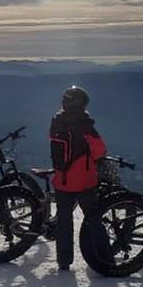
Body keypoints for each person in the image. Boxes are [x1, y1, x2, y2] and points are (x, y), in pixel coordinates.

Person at [49, 86, 107, 272]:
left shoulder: (56, 122)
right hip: (84, 181)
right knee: (94, 219)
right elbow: (99, 150)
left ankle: (63, 261)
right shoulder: (85, 126)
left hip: (61, 180)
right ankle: (104, 257)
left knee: (64, 222)